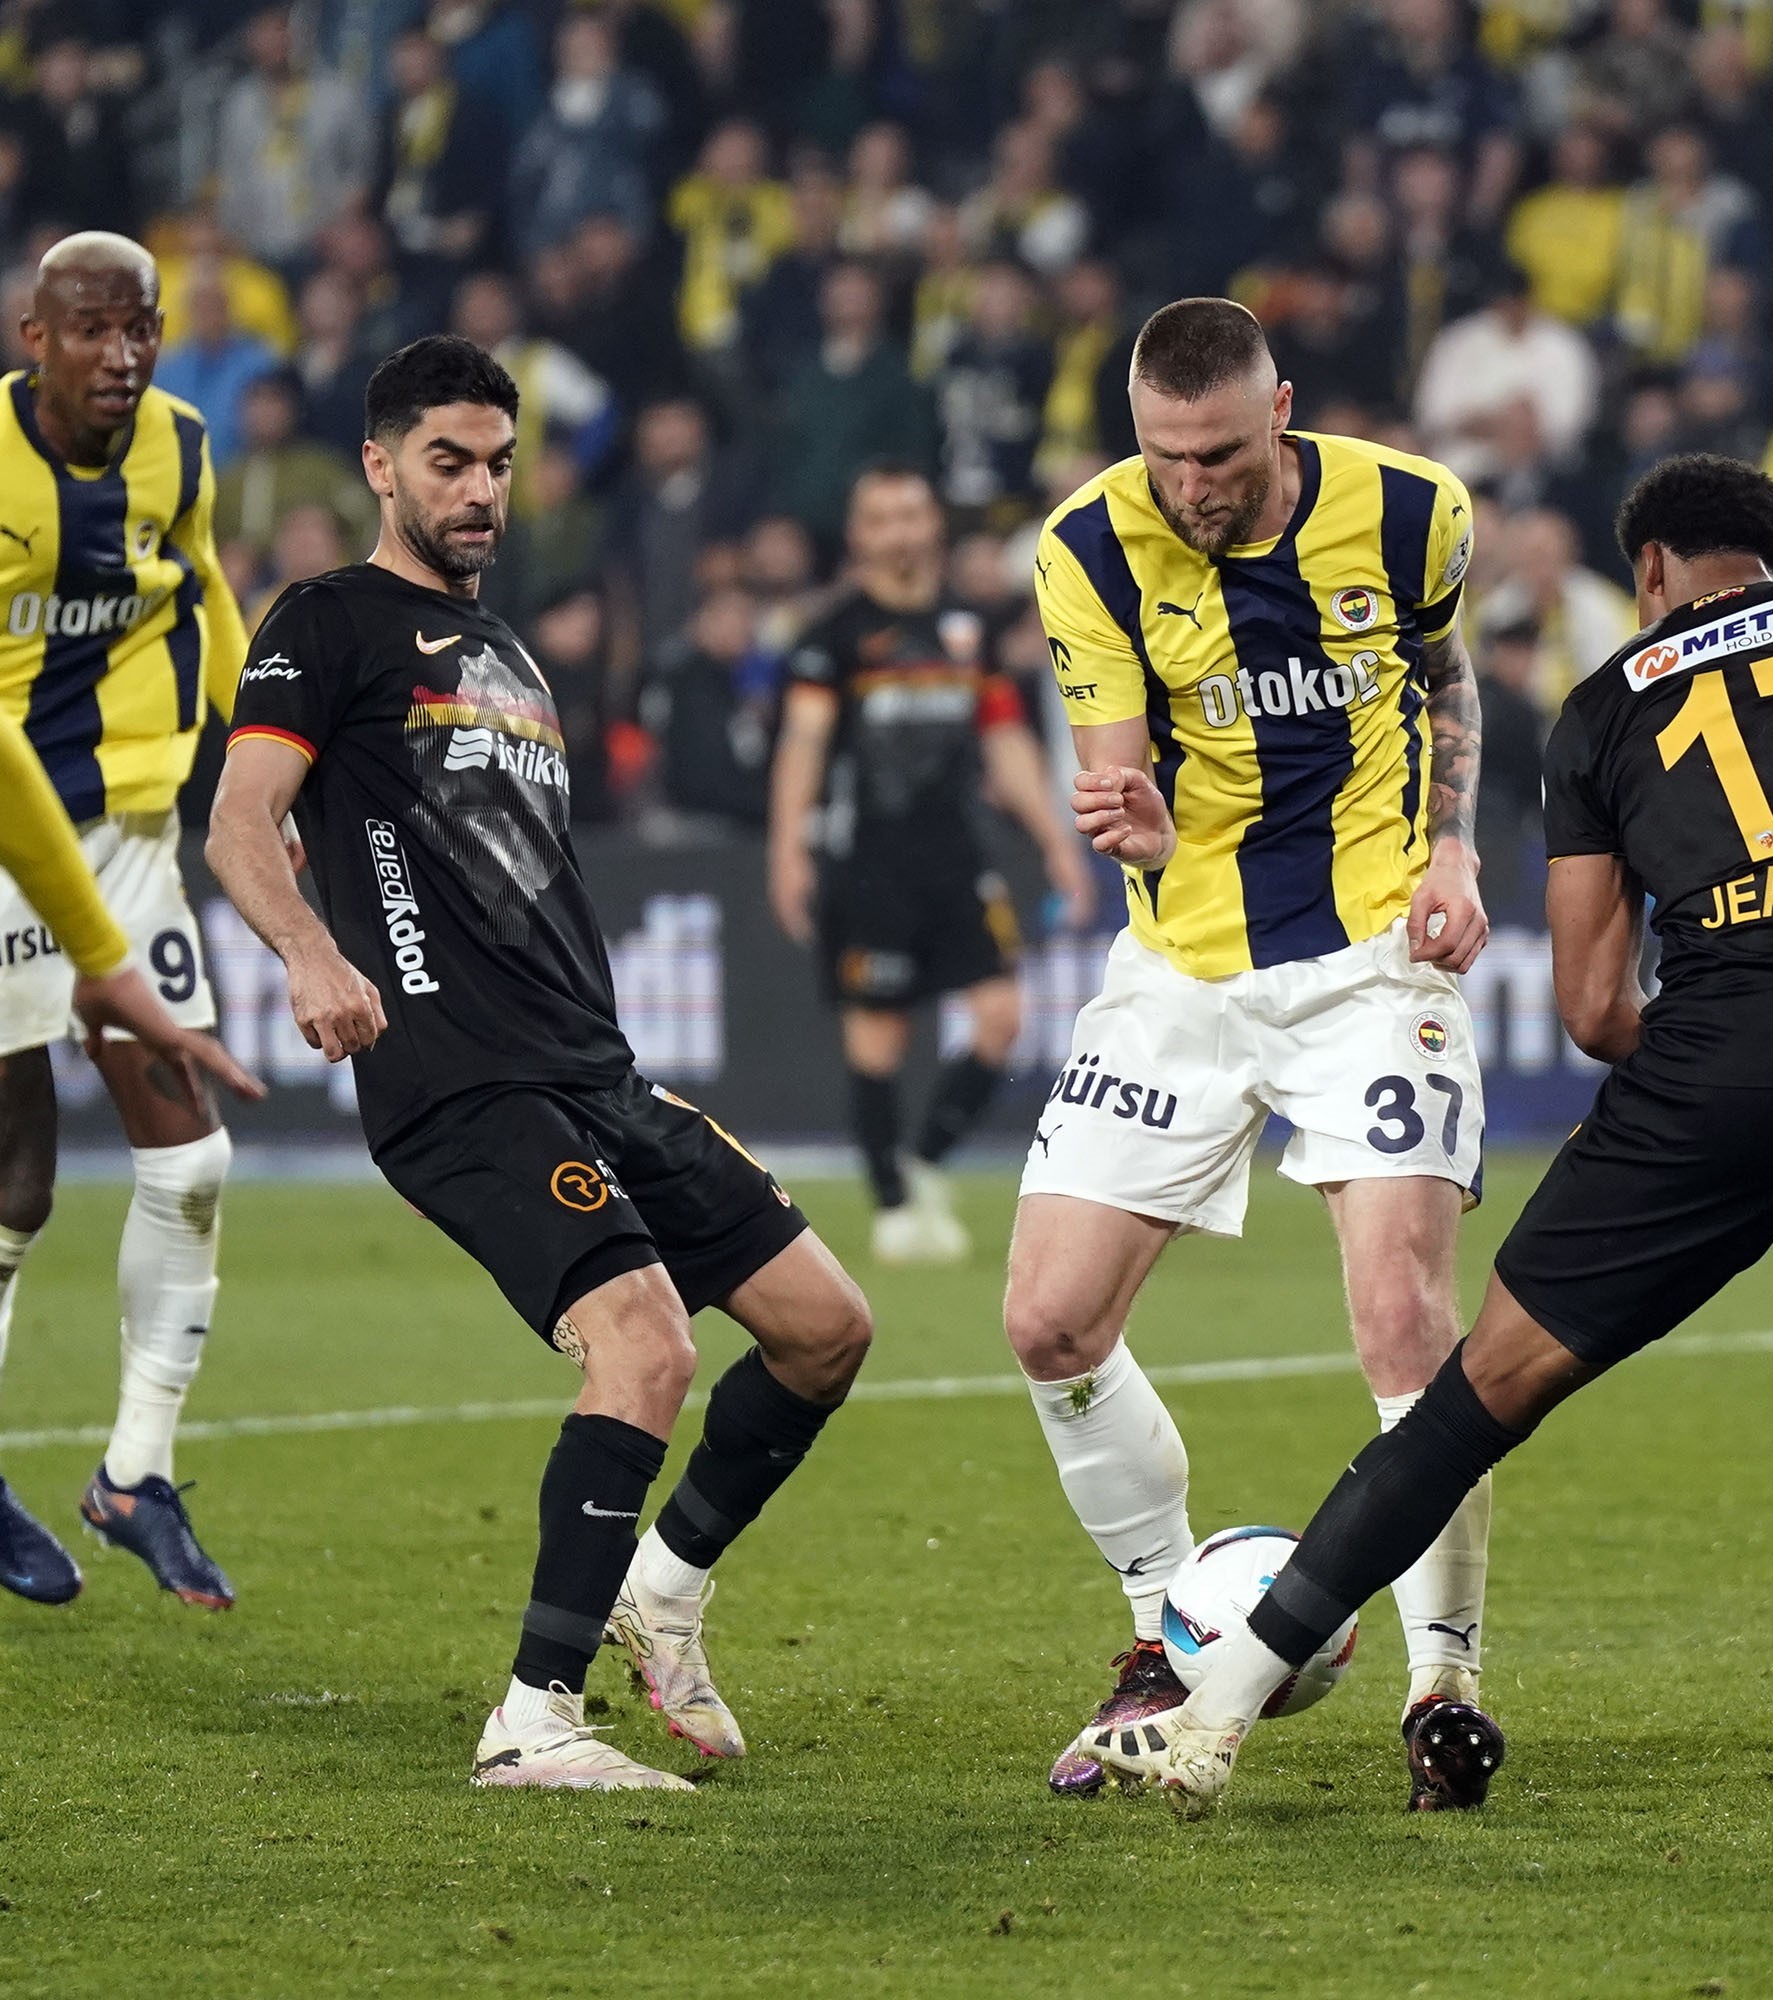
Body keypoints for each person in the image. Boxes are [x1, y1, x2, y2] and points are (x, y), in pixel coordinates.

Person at [1072, 453, 1773, 1829]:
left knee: (1470, 1401)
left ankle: (1213, 1719)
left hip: (1717, 1080)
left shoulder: (1608, 704)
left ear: (1653, 569)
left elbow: (1597, 1007)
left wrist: (1729, 1060)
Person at [204, 336, 876, 1792]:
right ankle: (533, 1717)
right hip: (462, 1079)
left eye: (500, 464)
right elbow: (241, 819)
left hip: (595, 1072)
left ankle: (664, 1590)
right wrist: (312, 954)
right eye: (447, 461)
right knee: (645, 1345)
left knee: (826, 1327)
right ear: (379, 466)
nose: (479, 491)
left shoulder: (509, 653)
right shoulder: (327, 619)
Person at [1017, 298, 1499, 1808]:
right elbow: (1117, 771)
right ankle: (1167, 1636)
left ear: (1279, 413)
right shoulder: (1088, 545)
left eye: (1218, 456)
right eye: (1164, 455)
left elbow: (1445, 677)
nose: (1190, 486)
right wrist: (1134, 815)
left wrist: (1454, 844)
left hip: (1371, 964)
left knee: (1404, 1322)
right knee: (1049, 1321)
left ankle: (1443, 1687)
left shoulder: (1415, 511)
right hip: (1180, 969)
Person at [0, 233, 254, 1611]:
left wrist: (258, 748)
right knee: (13, 1179)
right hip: (3, 836)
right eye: (93, 329)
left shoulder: (184, 446)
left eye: (141, 327)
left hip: (132, 838)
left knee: (193, 1156)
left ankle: (135, 1473)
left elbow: (201, 584)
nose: (123, 354)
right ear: (33, 336)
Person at [768, 464, 1091, 1264]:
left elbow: (1004, 736)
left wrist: (1056, 841)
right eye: (882, 518)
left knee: (1001, 1017)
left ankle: (923, 1162)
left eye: (911, 513)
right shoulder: (833, 636)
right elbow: (803, 744)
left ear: (934, 524)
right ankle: (890, 1206)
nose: (900, 532)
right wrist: (787, 849)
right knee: (878, 1039)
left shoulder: (968, 628)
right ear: (859, 535)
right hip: (867, 864)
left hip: (959, 856)